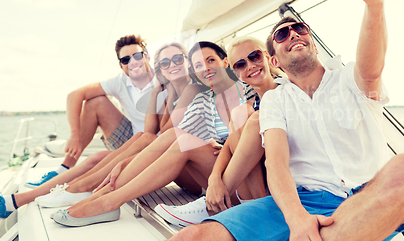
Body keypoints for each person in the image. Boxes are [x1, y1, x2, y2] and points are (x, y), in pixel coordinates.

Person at [147, 0, 404, 241]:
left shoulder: (351, 79)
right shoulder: (275, 102)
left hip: (365, 199)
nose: (292, 35)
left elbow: (371, 63)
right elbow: (278, 165)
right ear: (275, 60)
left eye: (299, 29)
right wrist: (297, 221)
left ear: (312, 41)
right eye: (281, 35)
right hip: (300, 201)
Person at [51, 41, 257, 226]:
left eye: (211, 60)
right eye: (199, 66)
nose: (206, 68)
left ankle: (105, 200)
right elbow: (162, 134)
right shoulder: (208, 98)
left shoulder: (243, 92)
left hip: (241, 182)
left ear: (226, 62)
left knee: (173, 137)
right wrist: (124, 163)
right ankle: (99, 197)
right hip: (215, 171)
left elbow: (244, 139)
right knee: (173, 136)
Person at [0, 41, 202, 216]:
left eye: (177, 59)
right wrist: (159, 92)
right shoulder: (169, 93)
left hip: (191, 169)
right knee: (108, 152)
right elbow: (154, 130)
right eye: (165, 63)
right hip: (161, 153)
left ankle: (80, 188)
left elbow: (163, 135)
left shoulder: (193, 89)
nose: (171, 65)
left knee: (145, 139)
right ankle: (37, 193)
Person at [154, 36, 281, 226]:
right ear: (235, 70)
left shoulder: (286, 91)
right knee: (184, 139)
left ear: (269, 57)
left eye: (255, 56)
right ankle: (234, 203)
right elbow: (230, 139)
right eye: (240, 64)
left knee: (245, 118)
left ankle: (214, 206)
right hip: (259, 179)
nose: (250, 66)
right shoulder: (250, 102)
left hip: (282, 181)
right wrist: (214, 177)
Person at [23, 35, 155, 190]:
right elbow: (74, 95)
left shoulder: (164, 80)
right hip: (132, 139)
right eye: (126, 60)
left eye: (137, 56)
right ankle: (64, 169)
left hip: (156, 145)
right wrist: (74, 135)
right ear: (121, 65)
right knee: (95, 102)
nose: (132, 62)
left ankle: (66, 188)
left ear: (147, 57)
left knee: (97, 158)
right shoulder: (121, 81)